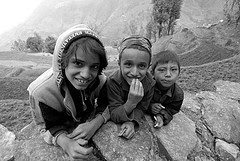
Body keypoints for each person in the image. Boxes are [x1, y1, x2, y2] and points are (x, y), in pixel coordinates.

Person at [27, 24, 109, 160]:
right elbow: (46, 126)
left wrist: (94, 123)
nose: (86, 74)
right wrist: (67, 143)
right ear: (62, 62)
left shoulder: (100, 80)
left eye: (94, 66)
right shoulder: (42, 93)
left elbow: (109, 102)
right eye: (78, 63)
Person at [107, 35, 155, 139]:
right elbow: (114, 114)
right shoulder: (113, 82)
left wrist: (132, 122)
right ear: (119, 63)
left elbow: (142, 108)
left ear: (148, 67)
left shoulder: (149, 84)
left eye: (141, 66)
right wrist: (131, 102)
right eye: (128, 64)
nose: (134, 72)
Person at [150, 50, 184, 128]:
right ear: (152, 73)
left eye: (173, 70)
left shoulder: (178, 94)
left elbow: (171, 110)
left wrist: (161, 116)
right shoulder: (147, 87)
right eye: (162, 70)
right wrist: (150, 106)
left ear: (179, 73)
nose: (168, 75)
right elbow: (138, 102)